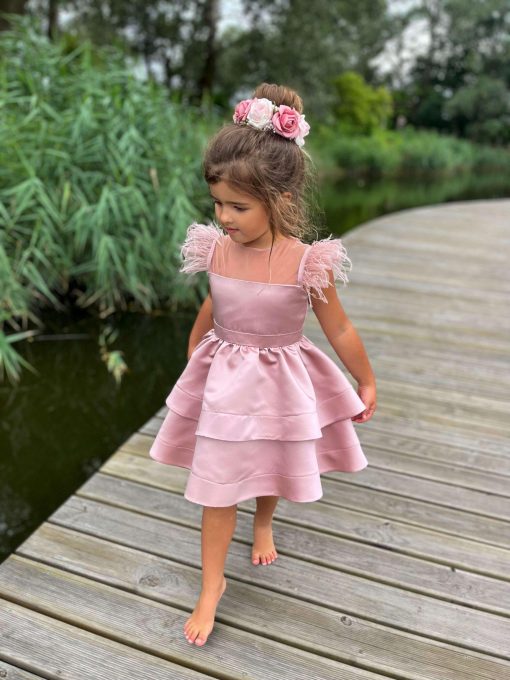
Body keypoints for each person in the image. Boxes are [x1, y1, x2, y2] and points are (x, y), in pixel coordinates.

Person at [149, 82, 377, 647]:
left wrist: (365, 378)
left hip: (279, 384)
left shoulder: (306, 262)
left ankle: (266, 519)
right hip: (224, 384)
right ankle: (212, 584)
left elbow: (339, 328)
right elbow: (215, 302)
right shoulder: (217, 249)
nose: (224, 216)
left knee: (270, 458)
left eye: (238, 207)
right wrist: (194, 351)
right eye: (217, 203)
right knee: (217, 486)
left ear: (280, 199)